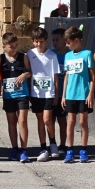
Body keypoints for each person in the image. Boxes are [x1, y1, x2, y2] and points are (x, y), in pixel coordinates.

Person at [61, 26, 95, 164]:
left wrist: (90, 94)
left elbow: (93, 76)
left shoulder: (87, 54)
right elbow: (67, 76)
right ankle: (69, 150)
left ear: (76, 40)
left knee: (82, 122)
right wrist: (63, 95)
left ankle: (83, 150)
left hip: (83, 94)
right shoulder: (67, 56)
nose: (67, 45)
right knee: (70, 122)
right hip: (70, 94)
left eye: (68, 42)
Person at [27, 28, 61, 162]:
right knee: (40, 120)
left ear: (46, 41)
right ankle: (43, 147)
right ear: (33, 42)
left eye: (41, 41)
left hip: (49, 92)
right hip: (35, 93)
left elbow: (56, 76)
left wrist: (56, 94)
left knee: (48, 119)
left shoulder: (52, 56)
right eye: (36, 42)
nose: (39, 44)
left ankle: (53, 143)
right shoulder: (29, 54)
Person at [0, 33, 31, 162]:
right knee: (11, 122)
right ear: (4, 47)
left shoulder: (23, 57)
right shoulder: (1, 59)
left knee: (22, 121)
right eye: (11, 47)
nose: (14, 49)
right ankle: (14, 148)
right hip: (8, 95)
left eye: (16, 46)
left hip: (22, 94)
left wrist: (24, 75)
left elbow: (30, 72)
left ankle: (24, 150)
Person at [51, 28, 69, 157]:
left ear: (64, 40)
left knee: (62, 120)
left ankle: (63, 144)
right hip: (51, 93)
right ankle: (52, 143)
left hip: (64, 93)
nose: (55, 42)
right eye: (53, 40)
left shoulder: (69, 55)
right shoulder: (51, 54)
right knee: (50, 120)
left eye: (57, 40)